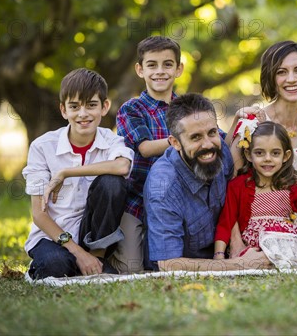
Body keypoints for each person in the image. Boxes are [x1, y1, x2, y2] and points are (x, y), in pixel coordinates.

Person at [23, 68, 134, 279]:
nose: (83, 114)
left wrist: (65, 172)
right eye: (74, 107)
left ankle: (97, 259)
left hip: (92, 236)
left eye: (91, 105)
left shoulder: (112, 141)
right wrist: (78, 253)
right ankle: (73, 264)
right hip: (53, 236)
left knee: (112, 182)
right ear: (63, 110)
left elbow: (122, 167)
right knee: (56, 266)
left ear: (104, 107)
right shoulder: (42, 147)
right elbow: (39, 214)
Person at [144, 93, 271, 271]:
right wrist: (240, 265)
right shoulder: (164, 186)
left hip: (222, 254)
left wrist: (236, 243)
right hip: (189, 267)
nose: (207, 144)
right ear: (175, 143)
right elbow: (169, 264)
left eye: (212, 133)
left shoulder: (221, 152)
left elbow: (232, 197)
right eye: (195, 137)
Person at [214, 121, 297, 268]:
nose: (267, 158)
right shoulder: (238, 186)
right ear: (248, 154)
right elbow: (225, 222)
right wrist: (219, 256)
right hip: (255, 247)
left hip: (287, 241)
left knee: (291, 247)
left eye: (275, 153)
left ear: (285, 156)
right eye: (259, 153)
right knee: (267, 245)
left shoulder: (292, 185)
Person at [115, 36, 183, 273]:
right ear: (140, 70)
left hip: (176, 204)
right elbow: (144, 148)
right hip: (136, 202)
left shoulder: (187, 109)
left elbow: (214, 139)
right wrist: (187, 139)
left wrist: (240, 122)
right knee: (131, 269)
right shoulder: (131, 109)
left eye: (167, 64)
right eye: (152, 65)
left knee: (168, 264)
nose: (160, 71)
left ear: (179, 69)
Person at [228, 40, 297, 182]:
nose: (291, 79)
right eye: (281, 72)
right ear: (271, 78)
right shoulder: (251, 124)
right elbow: (233, 185)